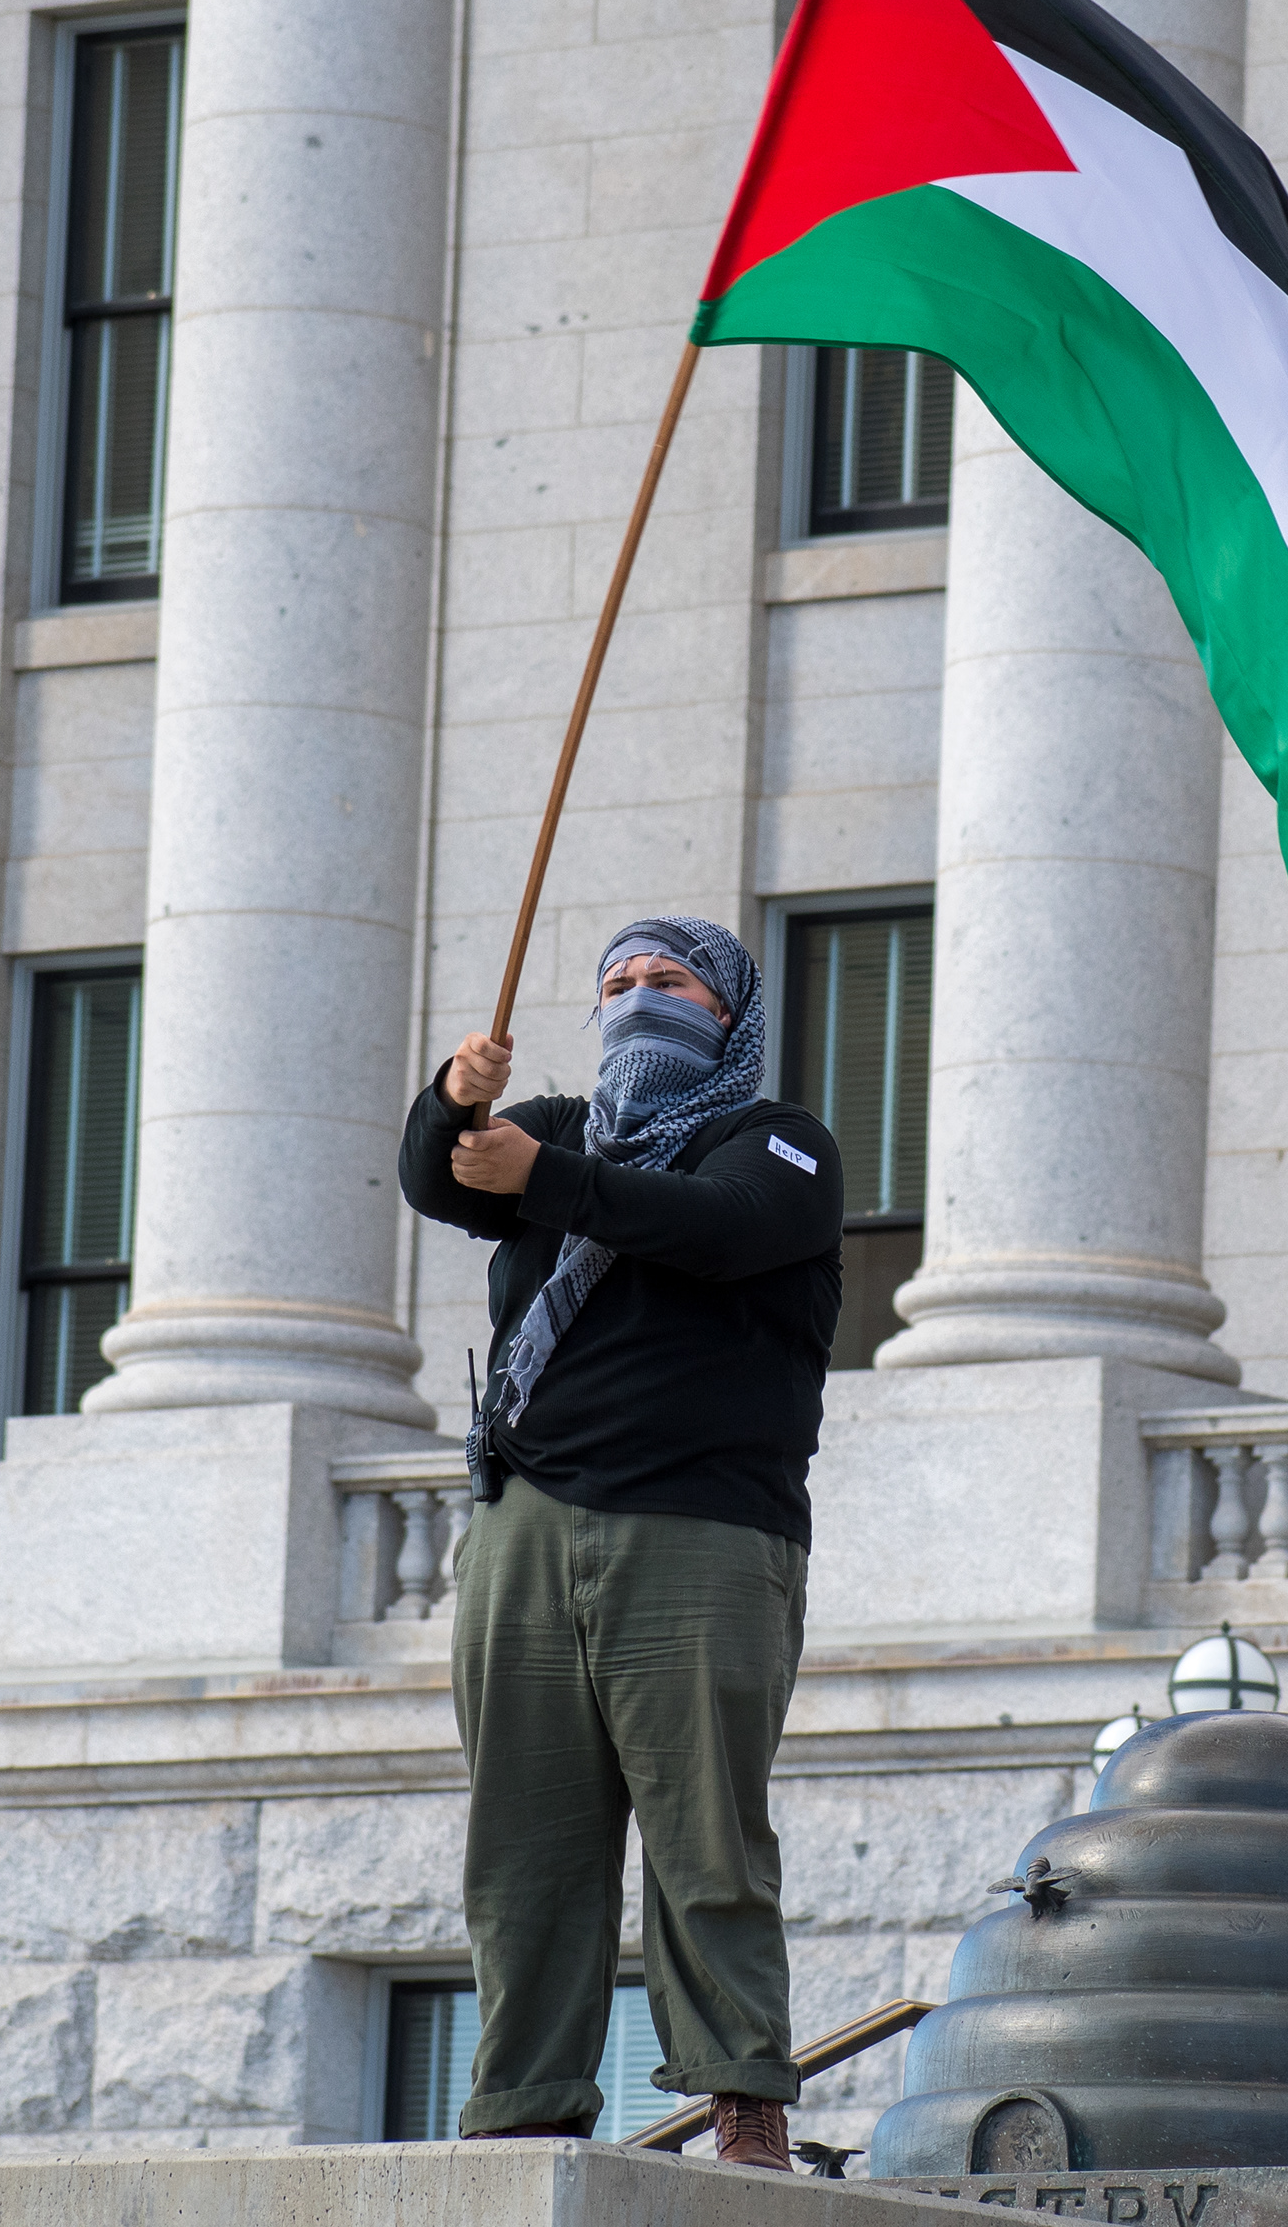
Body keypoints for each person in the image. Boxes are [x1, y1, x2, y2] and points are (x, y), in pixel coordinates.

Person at [398, 913, 845, 2171]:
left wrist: (537, 1178)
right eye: (620, 983)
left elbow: (715, 1227)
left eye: (672, 981)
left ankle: (740, 2095)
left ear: (729, 1010)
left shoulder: (780, 1146)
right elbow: (438, 1176)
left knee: (706, 1832)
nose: (641, 1000)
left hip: (701, 1534)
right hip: (525, 1530)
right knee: (526, 1840)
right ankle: (523, 2102)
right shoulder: (559, 1129)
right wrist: (449, 1100)